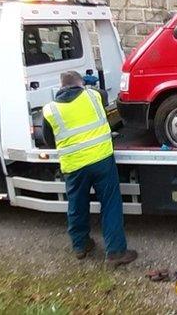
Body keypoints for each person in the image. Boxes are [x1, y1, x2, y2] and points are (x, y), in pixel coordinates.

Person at [42, 70, 137, 267]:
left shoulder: (50, 110)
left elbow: (49, 141)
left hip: (74, 165)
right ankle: (116, 252)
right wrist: (88, 84)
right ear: (82, 83)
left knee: (76, 205)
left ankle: (81, 246)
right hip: (101, 160)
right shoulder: (93, 96)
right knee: (110, 205)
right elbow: (103, 93)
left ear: (60, 87)